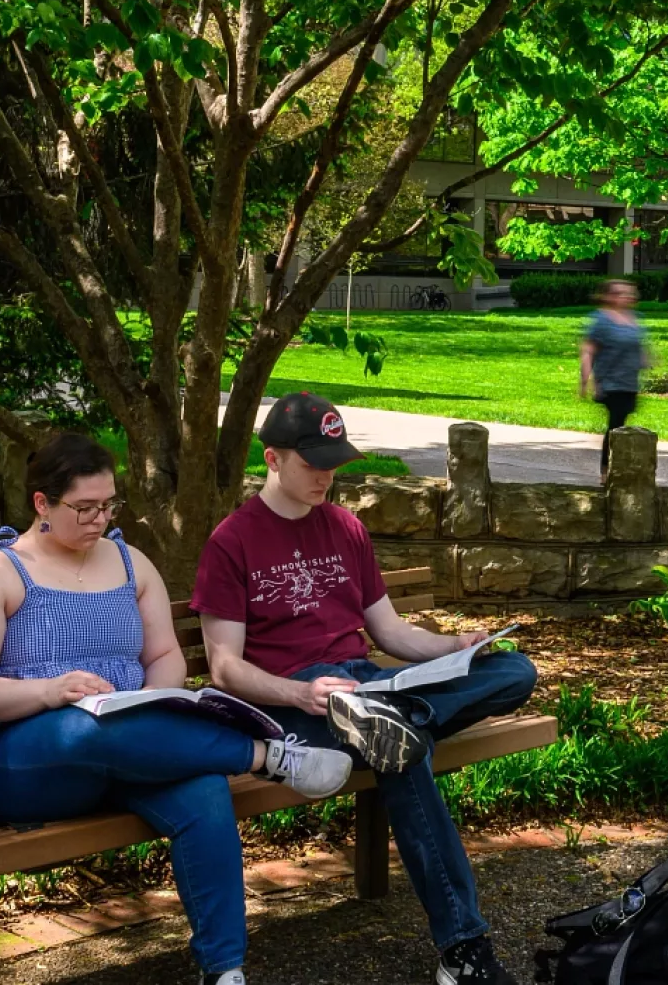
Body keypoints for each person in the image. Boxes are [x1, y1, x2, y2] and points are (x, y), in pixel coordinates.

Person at [0, 434, 355, 985]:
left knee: (203, 787)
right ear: (42, 503)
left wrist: (157, 695)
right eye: (83, 508)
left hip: (136, 745)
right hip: (31, 760)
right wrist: (48, 691)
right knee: (82, 729)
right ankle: (262, 754)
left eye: (108, 505)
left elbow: (163, 655)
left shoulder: (131, 564)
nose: (99, 519)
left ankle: (224, 970)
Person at [195, 392, 542, 985]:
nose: (327, 476)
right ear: (272, 458)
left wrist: (455, 649)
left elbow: (389, 630)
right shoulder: (233, 541)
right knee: (401, 751)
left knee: (516, 671)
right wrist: (303, 695)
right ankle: (463, 950)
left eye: (334, 462)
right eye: (313, 463)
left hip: (368, 686)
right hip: (296, 703)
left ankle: (391, 713)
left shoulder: (345, 527)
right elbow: (225, 669)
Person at [578, 279, 648, 471]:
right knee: (616, 424)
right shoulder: (602, 320)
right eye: (620, 293)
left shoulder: (634, 318)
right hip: (610, 381)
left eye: (629, 293)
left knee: (620, 423)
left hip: (629, 381)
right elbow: (588, 350)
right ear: (608, 296)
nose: (626, 297)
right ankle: (606, 469)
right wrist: (585, 380)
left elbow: (639, 345)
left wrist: (646, 361)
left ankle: (614, 466)